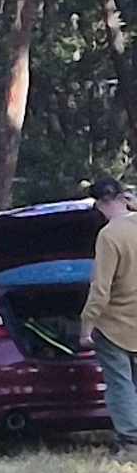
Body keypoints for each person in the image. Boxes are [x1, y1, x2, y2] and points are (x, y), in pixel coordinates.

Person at [85, 177, 137, 452]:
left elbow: (101, 289)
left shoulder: (109, 235)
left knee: (120, 383)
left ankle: (130, 440)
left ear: (101, 203)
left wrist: (86, 325)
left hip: (114, 326)